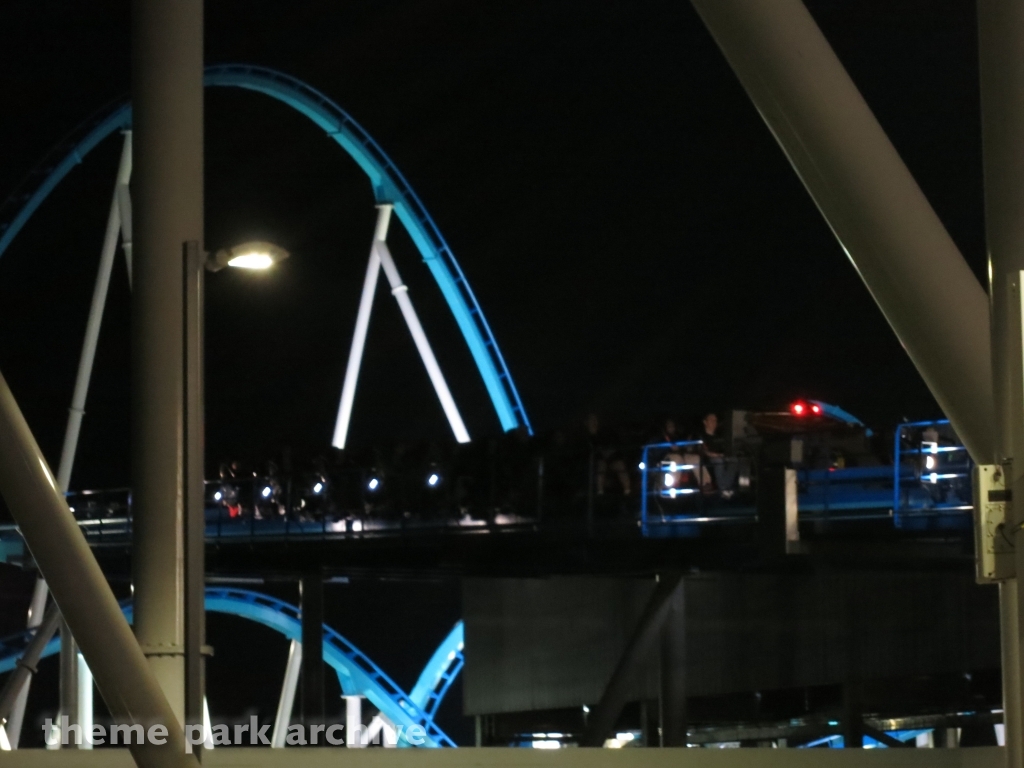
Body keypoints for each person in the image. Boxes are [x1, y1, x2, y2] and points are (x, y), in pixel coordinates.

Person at [699, 412, 737, 496]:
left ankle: (726, 486)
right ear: (705, 422)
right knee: (718, 461)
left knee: (734, 460)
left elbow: (724, 449)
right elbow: (704, 450)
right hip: (707, 459)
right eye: (712, 420)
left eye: (715, 420)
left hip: (720, 456)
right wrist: (713, 455)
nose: (714, 422)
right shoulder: (701, 436)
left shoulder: (719, 436)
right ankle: (723, 489)